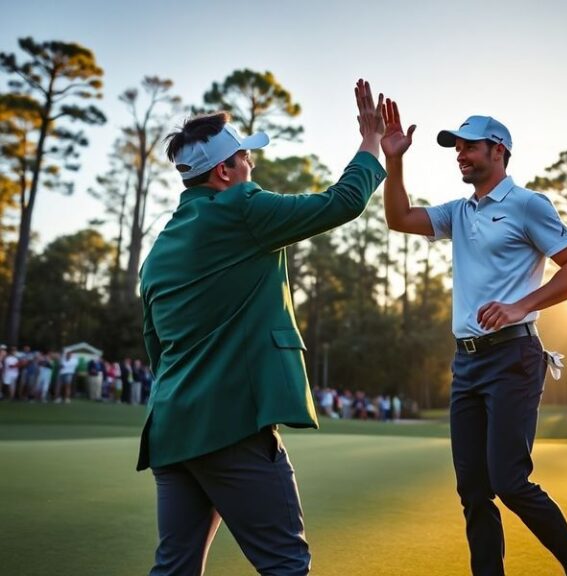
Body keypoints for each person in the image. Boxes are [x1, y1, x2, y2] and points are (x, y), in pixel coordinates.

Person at [137, 78, 386, 576]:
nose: (252, 166)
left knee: (175, 569)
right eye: (245, 160)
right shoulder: (241, 208)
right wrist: (372, 142)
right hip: (230, 423)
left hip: (171, 427)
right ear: (224, 171)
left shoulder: (159, 248)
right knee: (286, 565)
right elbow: (343, 203)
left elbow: (155, 348)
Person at [380, 102, 567, 576]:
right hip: (466, 363)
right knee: (473, 490)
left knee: (508, 480)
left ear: (498, 151)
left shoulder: (527, 205)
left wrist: (520, 305)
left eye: (469, 146)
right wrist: (395, 159)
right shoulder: (459, 212)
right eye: (456, 147)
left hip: (514, 356)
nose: (460, 154)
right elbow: (399, 218)